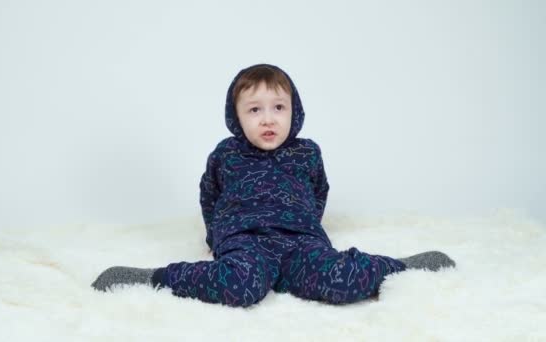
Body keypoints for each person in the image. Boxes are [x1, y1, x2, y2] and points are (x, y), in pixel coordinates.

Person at [91, 64, 455, 307]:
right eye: (254, 110)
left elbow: (318, 192)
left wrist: (307, 227)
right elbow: (210, 195)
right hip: (246, 239)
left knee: (341, 279)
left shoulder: (307, 152)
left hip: (300, 241)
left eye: (278, 107)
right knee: (241, 287)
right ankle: (154, 277)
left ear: (294, 111)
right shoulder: (226, 154)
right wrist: (218, 238)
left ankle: (401, 268)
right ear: (235, 117)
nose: (268, 119)